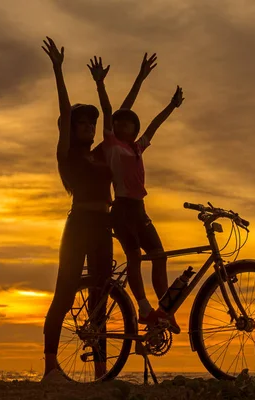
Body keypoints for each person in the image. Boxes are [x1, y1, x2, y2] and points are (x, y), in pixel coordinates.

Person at [41, 37, 158, 382]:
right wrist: (58, 70)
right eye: (83, 124)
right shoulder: (68, 154)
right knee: (64, 292)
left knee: (101, 294)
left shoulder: (101, 151)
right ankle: (50, 367)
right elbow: (63, 113)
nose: (89, 128)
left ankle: (102, 371)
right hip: (78, 225)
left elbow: (117, 117)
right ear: (72, 129)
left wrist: (139, 78)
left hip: (103, 224)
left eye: (91, 125)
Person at [88, 55, 184, 333]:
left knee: (159, 255)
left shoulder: (138, 147)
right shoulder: (111, 144)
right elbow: (109, 110)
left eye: (128, 124)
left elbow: (154, 125)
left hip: (139, 208)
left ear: (134, 129)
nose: (122, 126)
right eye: (119, 124)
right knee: (133, 258)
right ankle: (144, 308)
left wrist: (171, 106)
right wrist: (100, 84)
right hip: (122, 208)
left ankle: (165, 310)